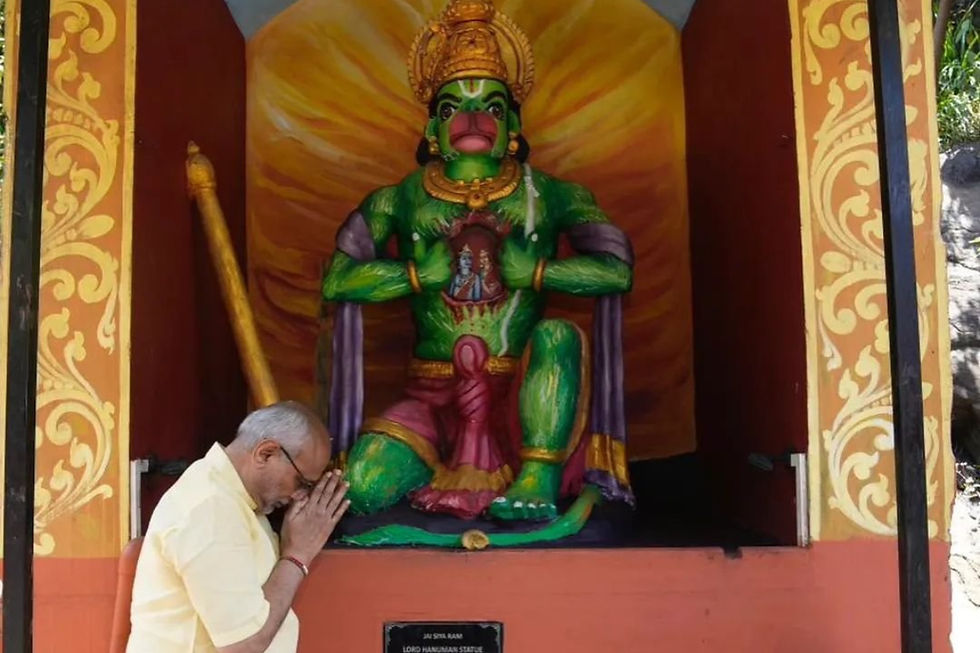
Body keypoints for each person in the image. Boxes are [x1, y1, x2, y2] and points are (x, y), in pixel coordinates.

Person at [126, 401, 349, 652]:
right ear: (265, 453)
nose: (299, 496)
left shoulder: (236, 499)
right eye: (301, 482)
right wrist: (297, 556)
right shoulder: (210, 507)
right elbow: (242, 646)